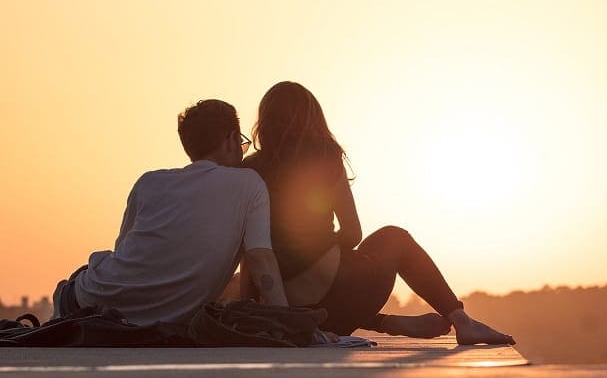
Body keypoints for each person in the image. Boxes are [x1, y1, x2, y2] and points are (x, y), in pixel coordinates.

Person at [241, 81, 514, 345]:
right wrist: (322, 248)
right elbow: (353, 233)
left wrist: (250, 307)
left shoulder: (250, 169)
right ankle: (462, 322)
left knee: (331, 279)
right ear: (313, 120)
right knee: (394, 238)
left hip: (288, 309)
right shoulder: (325, 157)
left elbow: (249, 252)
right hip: (338, 300)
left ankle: (386, 323)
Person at [52, 99, 292, 326]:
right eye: (241, 143)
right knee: (75, 280)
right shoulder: (250, 184)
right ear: (231, 139)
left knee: (81, 278)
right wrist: (289, 322)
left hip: (96, 300)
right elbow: (260, 259)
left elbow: (125, 253)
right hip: (150, 317)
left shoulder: (148, 183)